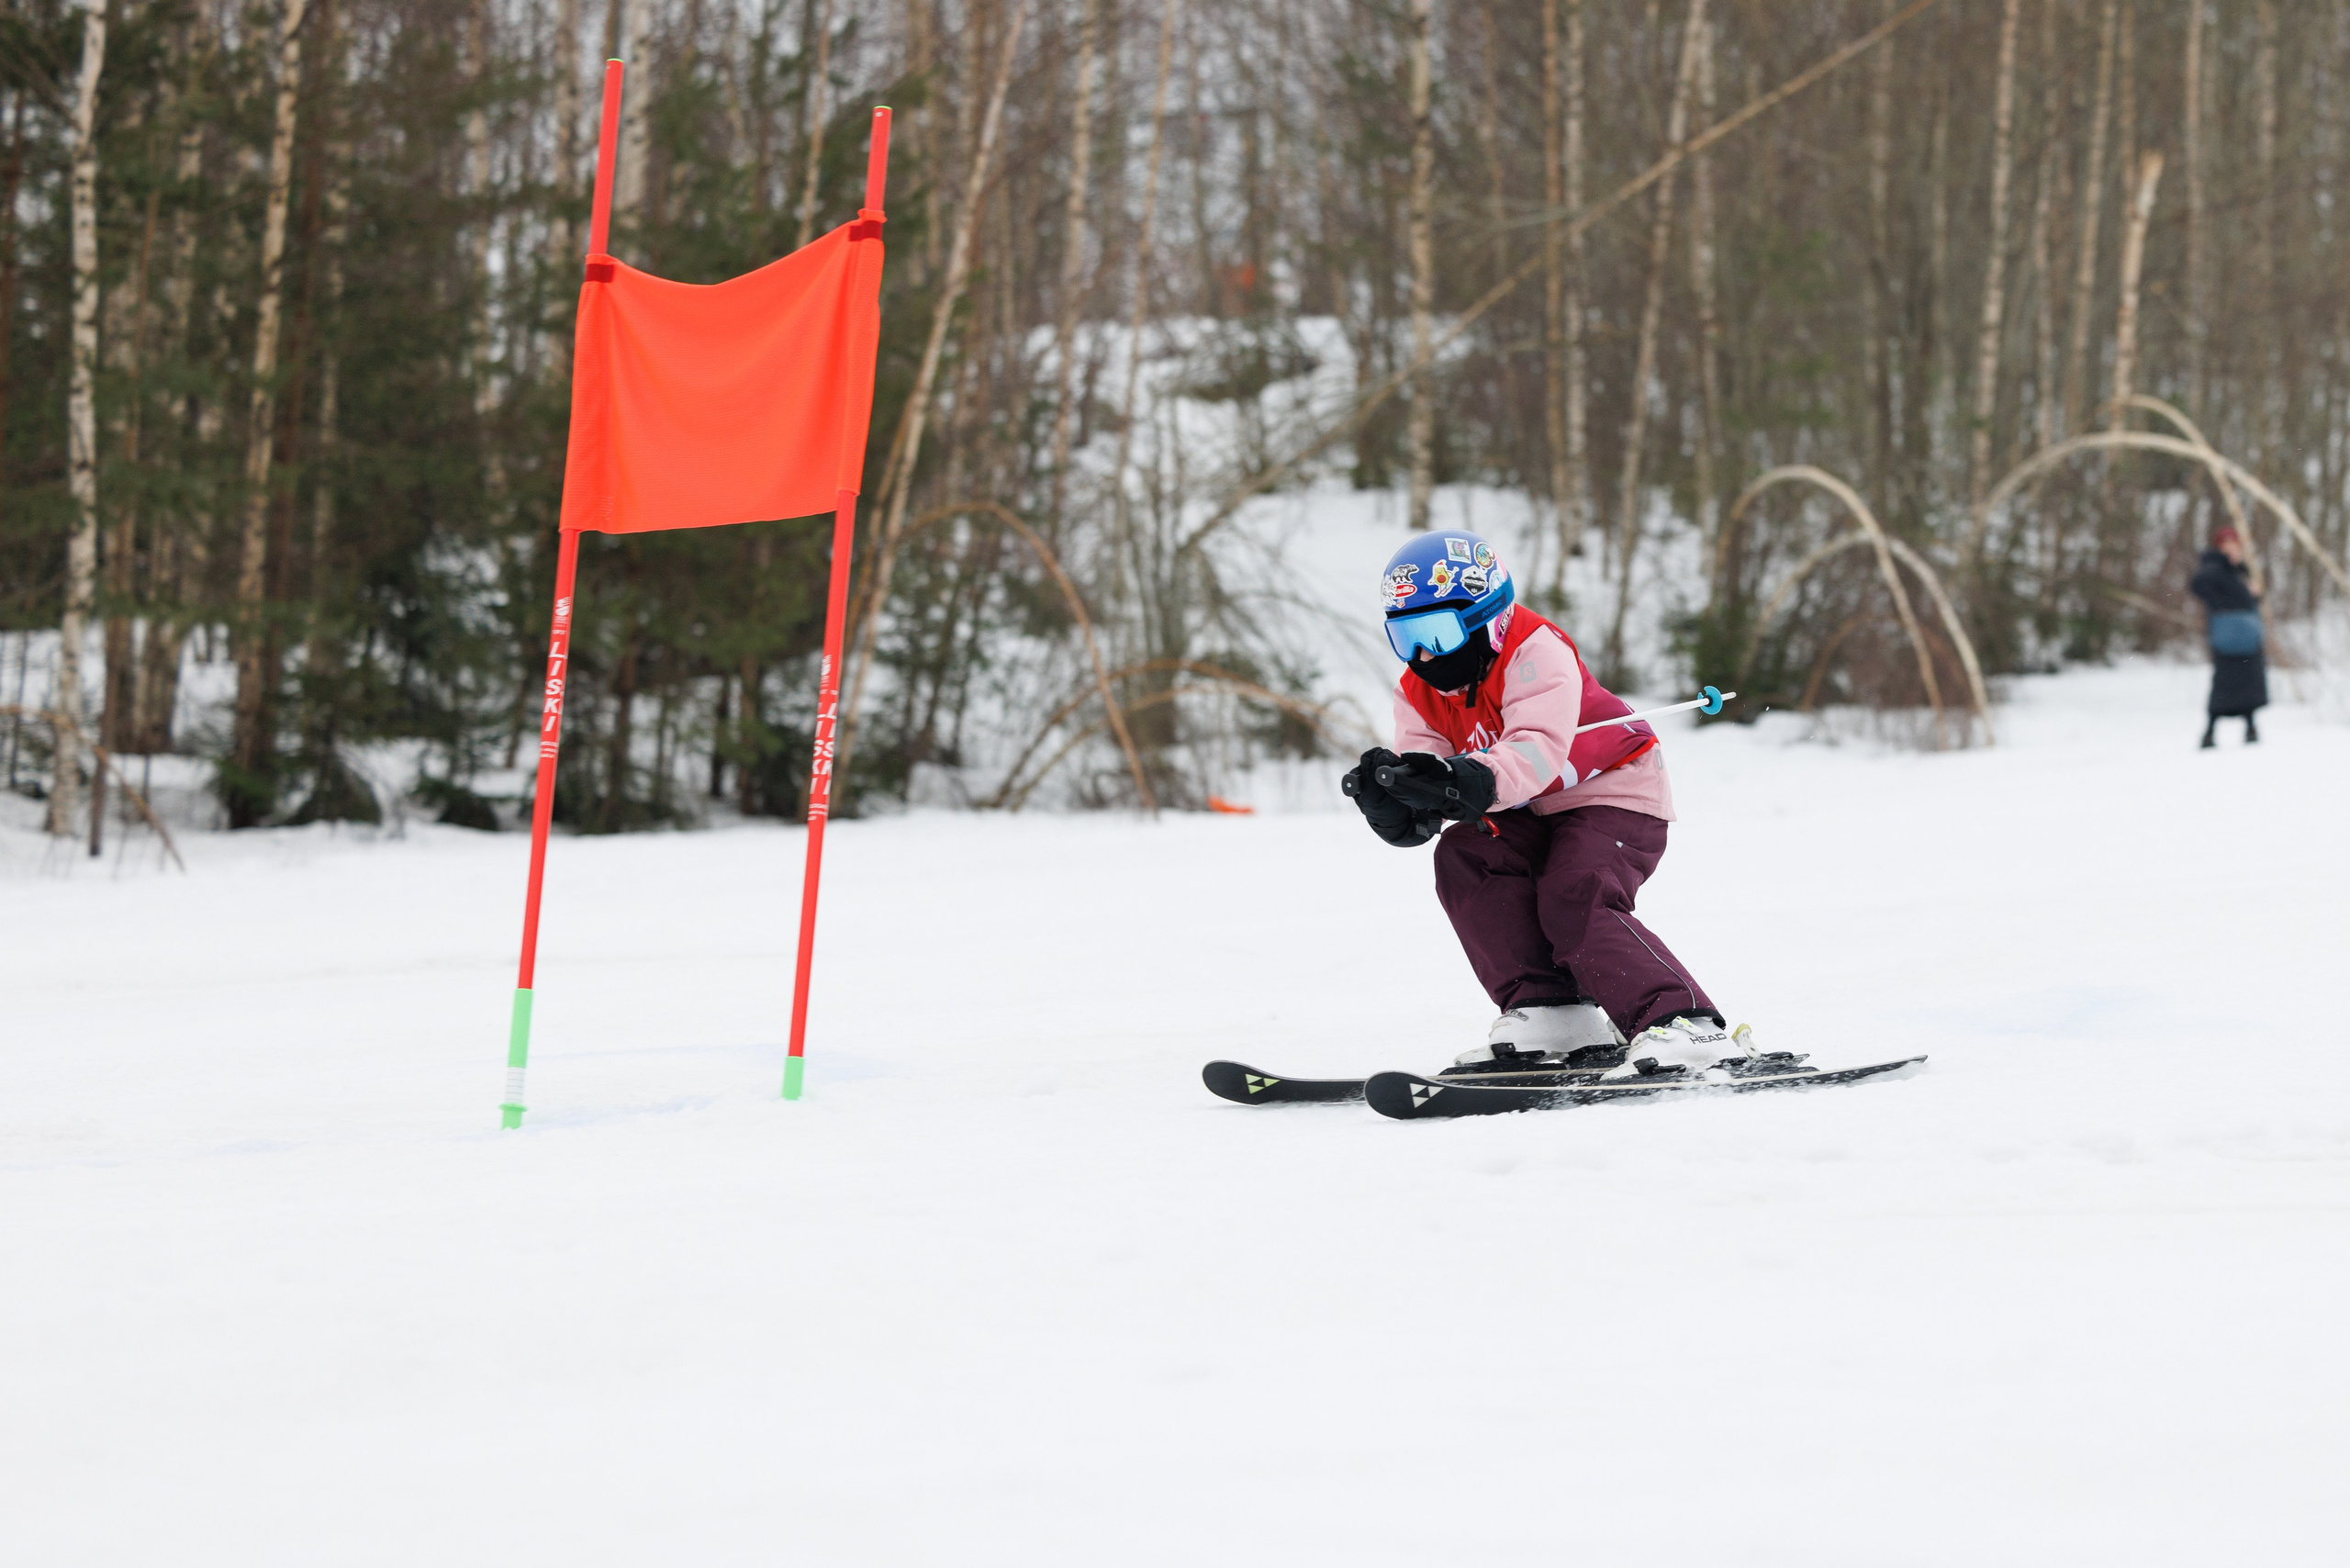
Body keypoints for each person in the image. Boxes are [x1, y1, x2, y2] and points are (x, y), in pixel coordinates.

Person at [1341, 530, 1754, 1082]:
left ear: (1484, 617)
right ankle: (1554, 1010)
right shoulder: (1418, 689)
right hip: (1525, 806)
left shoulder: (1535, 651)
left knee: (1575, 888)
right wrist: (1401, 802)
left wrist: (1465, 779)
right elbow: (1434, 772)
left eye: (1436, 635)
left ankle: (1684, 1020)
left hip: (1614, 790)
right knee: (1467, 856)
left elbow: (1534, 751)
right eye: (1406, 637)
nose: (1422, 657)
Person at [2188, 525, 2266, 748]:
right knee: (2224, 683)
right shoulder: (2214, 566)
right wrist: (2224, 606)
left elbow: (2247, 601)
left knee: (2249, 680)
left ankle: (2250, 727)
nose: (2232, 549)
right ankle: (2210, 732)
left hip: (2246, 636)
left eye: (2235, 545)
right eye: (2227, 545)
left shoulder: (2239, 569)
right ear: (2220, 547)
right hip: (2227, 637)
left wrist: (2254, 595)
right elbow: (2198, 586)